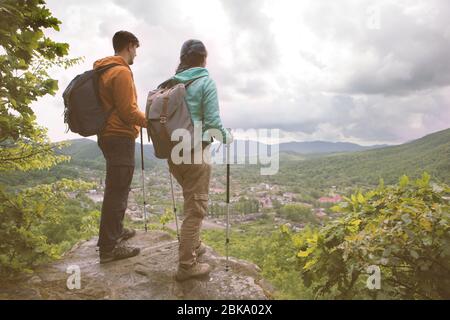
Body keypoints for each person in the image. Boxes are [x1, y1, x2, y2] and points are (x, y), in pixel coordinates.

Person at [162, 39, 232, 281]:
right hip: (195, 154)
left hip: (173, 155)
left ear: (182, 58)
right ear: (204, 58)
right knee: (196, 210)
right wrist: (227, 137)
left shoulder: (171, 84)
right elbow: (213, 124)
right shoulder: (205, 82)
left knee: (190, 200)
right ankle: (187, 265)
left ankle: (196, 243)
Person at [94, 31, 147, 264]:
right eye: (136, 48)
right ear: (129, 45)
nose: (136, 53)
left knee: (115, 188)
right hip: (120, 136)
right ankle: (109, 248)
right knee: (118, 191)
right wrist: (153, 121)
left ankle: (114, 233)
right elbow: (128, 112)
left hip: (106, 134)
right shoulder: (122, 72)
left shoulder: (103, 70)